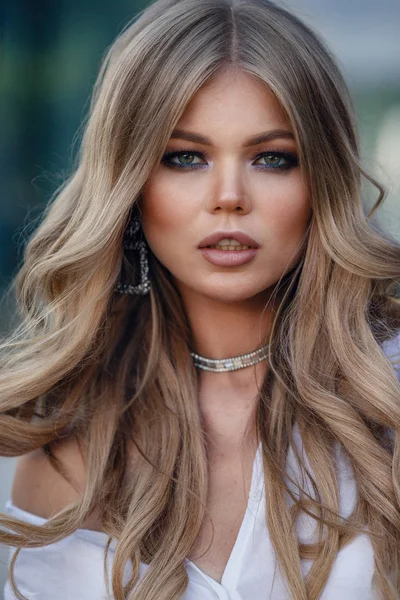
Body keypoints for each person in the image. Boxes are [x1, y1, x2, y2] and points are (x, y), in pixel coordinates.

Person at [1, 0, 400, 598]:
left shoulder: (386, 401)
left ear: (322, 181)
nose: (230, 196)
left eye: (273, 158)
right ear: (131, 184)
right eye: (185, 157)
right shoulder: (64, 443)